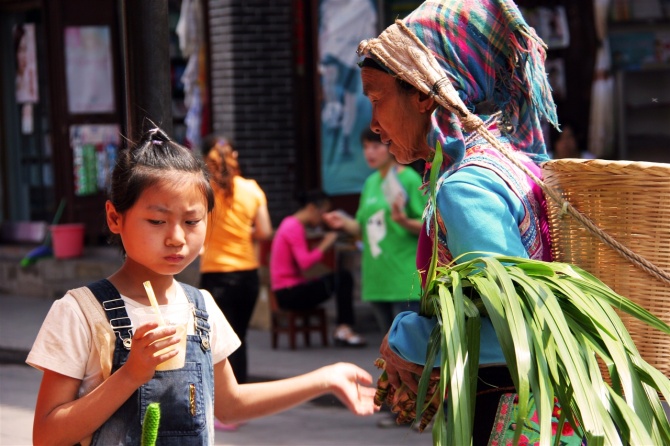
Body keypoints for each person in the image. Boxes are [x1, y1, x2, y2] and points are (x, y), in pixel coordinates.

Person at [27, 127, 377, 445]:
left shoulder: (201, 307)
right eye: (157, 221)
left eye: (192, 221)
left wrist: (325, 378)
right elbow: (45, 435)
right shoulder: (80, 312)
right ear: (115, 218)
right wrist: (129, 375)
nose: (177, 238)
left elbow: (230, 405)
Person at [357, 0, 560, 443]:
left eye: (377, 99)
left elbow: (521, 326)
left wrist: (410, 338)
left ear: (425, 94)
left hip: (504, 414)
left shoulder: (465, 186)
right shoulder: (513, 162)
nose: (373, 124)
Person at [198, 134, 273, 431]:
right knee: (238, 339)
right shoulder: (252, 189)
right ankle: (237, 406)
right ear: (235, 156)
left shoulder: (204, 191)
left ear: (205, 159)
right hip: (247, 274)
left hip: (216, 275)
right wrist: (244, 232)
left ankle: (226, 409)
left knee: (217, 346)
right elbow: (265, 231)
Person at [323, 128, 426, 333]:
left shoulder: (409, 179)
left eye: (375, 146)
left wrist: (404, 221)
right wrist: (342, 222)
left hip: (404, 279)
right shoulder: (370, 182)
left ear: (390, 147)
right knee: (388, 353)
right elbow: (361, 227)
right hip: (376, 277)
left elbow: (428, 227)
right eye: (365, 147)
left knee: (410, 352)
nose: (369, 152)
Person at [270, 189, 365, 347]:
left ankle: (344, 326)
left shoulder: (289, 223)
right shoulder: (294, 226)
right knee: (343, 277)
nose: (323, 218)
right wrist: (326, 243)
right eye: (323, 212)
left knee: (338, 277)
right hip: (289, 292)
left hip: (288, 289)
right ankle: (344, 327)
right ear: (312, 208)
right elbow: (305, 263)